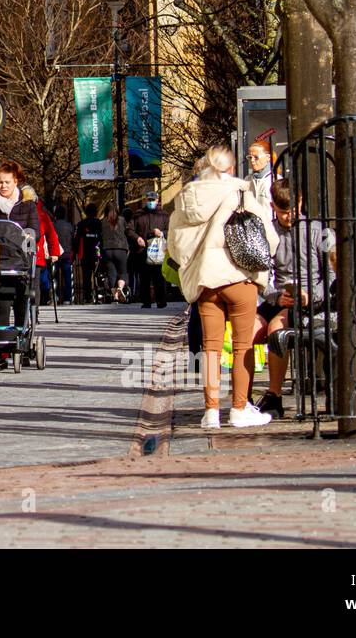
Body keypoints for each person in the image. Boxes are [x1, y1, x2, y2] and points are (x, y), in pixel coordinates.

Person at [168, 144, 279, 430]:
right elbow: (266, 232)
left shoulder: (186, 197)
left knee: (211, 348)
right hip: (239, 276)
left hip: (206, 279)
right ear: (228, 168)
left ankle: (211, 412)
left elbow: (175, 244)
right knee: (243, 345)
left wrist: (193, 263)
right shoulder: (240, 190)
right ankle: (239, 408)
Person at [254, 179, 336, 418]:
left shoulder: (320, 230)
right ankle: (245, 399)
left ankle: (274, 393)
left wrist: (312, 295)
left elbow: (332, 274)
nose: (289, 217)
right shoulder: (267, 232)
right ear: (272, 206)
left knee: (277, 330)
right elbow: (259, 274)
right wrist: (275, 296)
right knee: (245, 333)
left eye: (292, 211)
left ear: (300, 202)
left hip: (313, 300)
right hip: (279, 297)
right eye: (282, 213)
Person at [0, 160, 40, 369]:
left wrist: (29, 236)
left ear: (16, 181)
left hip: (20, 259)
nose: (3, 186)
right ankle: (2, 346)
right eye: (0, 183)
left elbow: (35, 229)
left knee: (22, 301)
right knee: (3, 302)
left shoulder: (27, 204)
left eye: (7, 182)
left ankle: (22, 341)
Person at [127, 189, 170, 309]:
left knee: (159, 278)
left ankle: (161, 301)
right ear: (146, 200)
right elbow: (129, 230)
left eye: (153, 200)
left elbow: (170, 231)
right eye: (149, 200)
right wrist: (137, 238)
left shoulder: (163, 215)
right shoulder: (138, 215)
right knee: (144, 278)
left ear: (157, 201)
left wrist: (161, 233)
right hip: (143, 252)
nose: (151, 202)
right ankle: (146, 301)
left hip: (159, 252)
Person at [99, 202, 131, 303]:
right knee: (123, 272)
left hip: (107, 250)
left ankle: (115, 296)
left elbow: (100, 236)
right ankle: (120, 288)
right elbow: (127, 232)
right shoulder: (122, 220)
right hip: (120, 249)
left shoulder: (103, 221)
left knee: (111, 273)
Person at [75, 203, 103, 304]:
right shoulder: (99, 223)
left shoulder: (81, 224)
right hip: (97, 252)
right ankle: (99, 294)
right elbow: (102, 237)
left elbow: (77, 239)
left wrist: (75, 252)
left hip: (85, 253)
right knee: (98, 274)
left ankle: (88, 296)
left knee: (86, 276)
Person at [50, 204, 75, 305]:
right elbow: (72, 240)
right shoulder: (69, 226)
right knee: (67, 277)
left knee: (53, 276)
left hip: (55, 254)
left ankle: (54, 296)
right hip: (66, 254)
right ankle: (67, 298)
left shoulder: (53, 225)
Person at [246, 139, 278, 207]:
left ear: (268, 158)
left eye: (256, 157)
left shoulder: (276, 180)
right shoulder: (247, 179)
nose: (252, 160)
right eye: (250, 157)